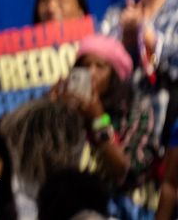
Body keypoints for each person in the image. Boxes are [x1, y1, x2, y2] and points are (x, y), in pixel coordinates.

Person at [51, 34, 161, 217]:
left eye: (100, 66)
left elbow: (124, 172)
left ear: (115, 75)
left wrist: (98, 119)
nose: (91, 73)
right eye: (85, 66)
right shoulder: (67, 111)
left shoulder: (137, 109)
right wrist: (52, 112)